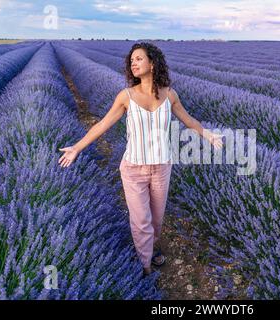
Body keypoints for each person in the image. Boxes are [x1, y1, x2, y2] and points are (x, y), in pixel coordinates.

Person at [58, 42, 224, 276]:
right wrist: (77, 147)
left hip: (162, 167)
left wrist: (207, 134)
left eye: (138, 59)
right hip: (134, 168)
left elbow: (189, 120)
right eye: (131, 61)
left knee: (156, 220)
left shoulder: (170, 95)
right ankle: (145, 266)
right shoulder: (126, 97)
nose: (133, 63)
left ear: (153, 63)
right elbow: (102, 125)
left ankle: (148, 248)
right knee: (141, 220)